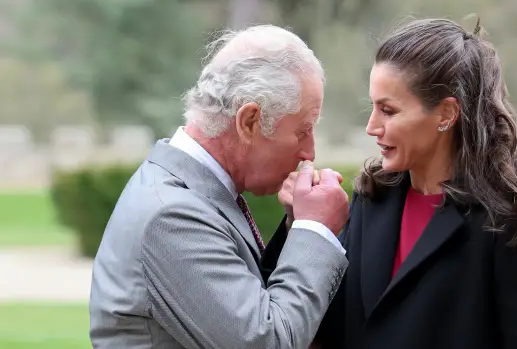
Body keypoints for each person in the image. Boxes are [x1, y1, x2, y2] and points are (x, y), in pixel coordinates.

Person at [279, 18, 517, 349]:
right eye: (373, 107)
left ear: (446, 114)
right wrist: (304, 225)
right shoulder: (371, 200)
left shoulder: (506, 224)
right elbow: (321, 329)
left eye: (388, 110)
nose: (372, 126)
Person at [89, 24, 351, 349]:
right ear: (249, 121)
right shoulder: (172, 215)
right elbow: (270, 341)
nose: (309, 152)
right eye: (303, 130)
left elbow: (252, 305)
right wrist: (315, 230)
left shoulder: (189, 193)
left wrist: (297, 228)